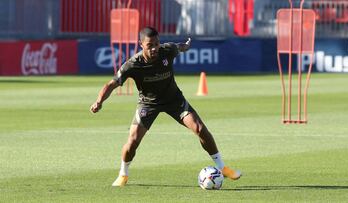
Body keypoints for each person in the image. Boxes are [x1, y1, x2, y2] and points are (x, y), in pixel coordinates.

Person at [90, 27, 241, 187]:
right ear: (141, 44)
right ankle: (123, 174)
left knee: (200, 129)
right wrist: (99, 101)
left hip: (174, 100)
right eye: (150, 45)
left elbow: (179, 47)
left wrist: (186, 46)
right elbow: (111, 84)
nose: (154, 48)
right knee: (133, 140)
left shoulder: (167, 50)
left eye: (156, 43)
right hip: (148, 104)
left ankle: (222, 167)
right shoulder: (132, 65)